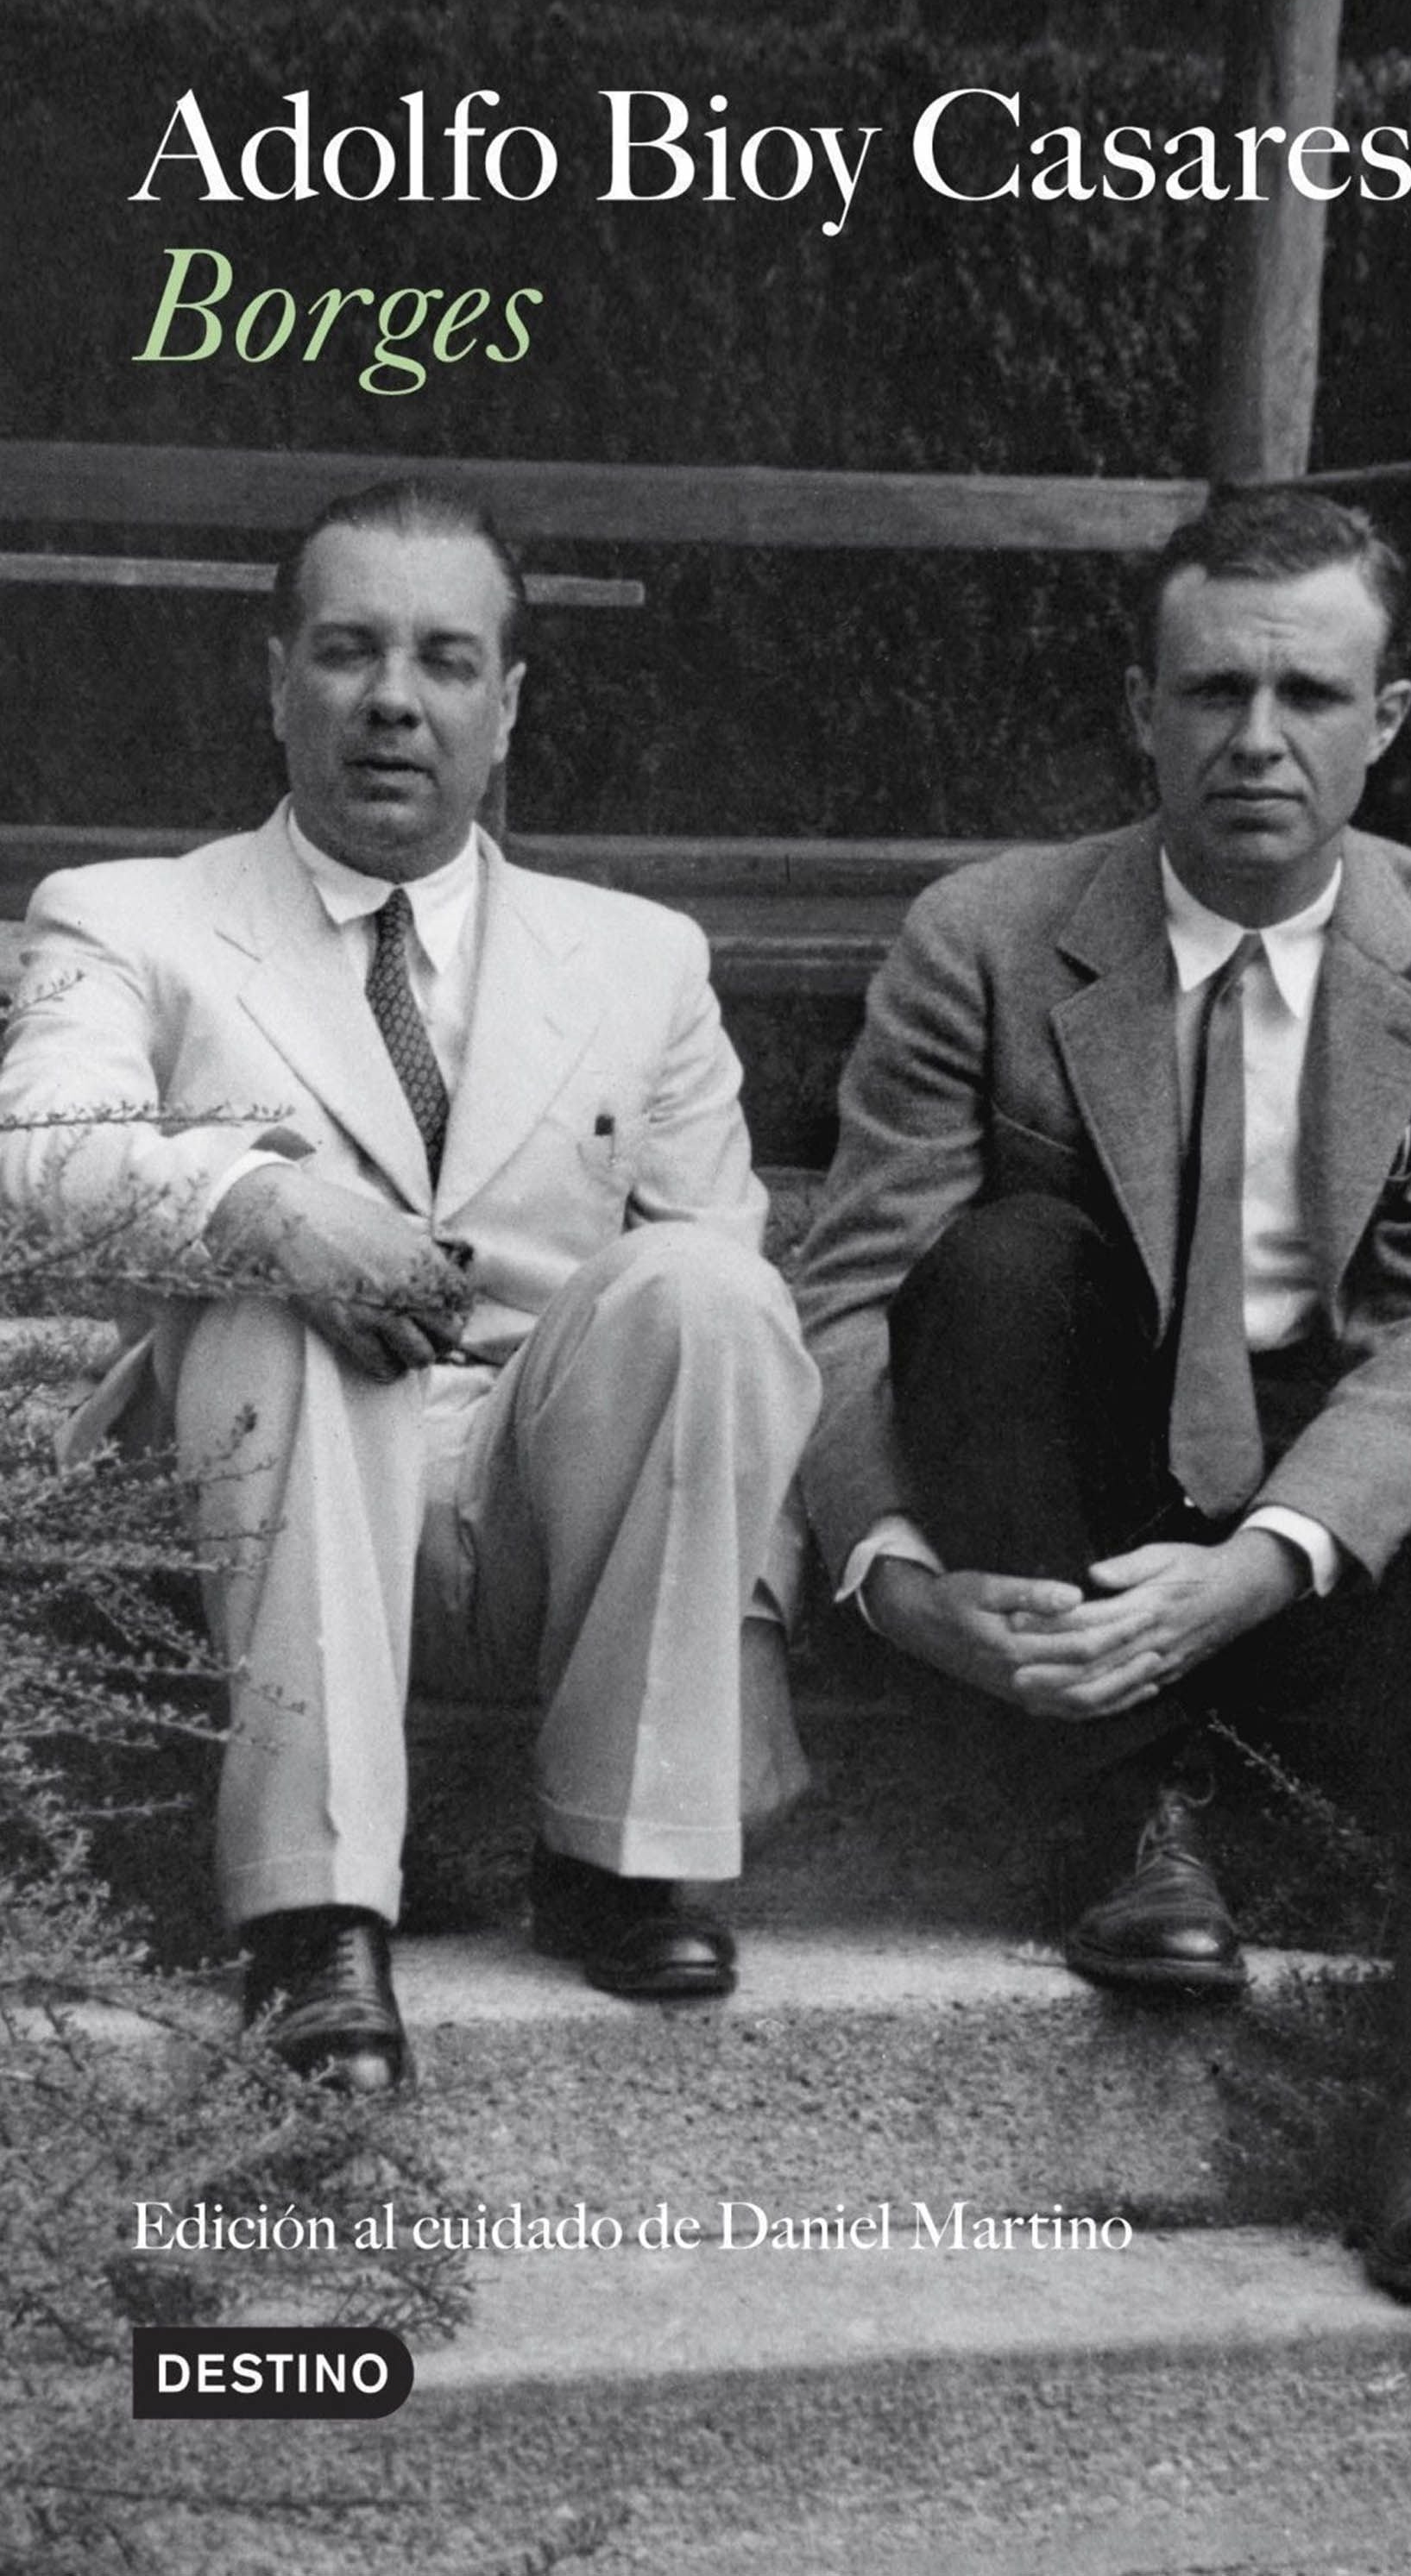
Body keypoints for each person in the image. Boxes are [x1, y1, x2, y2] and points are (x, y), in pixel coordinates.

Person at [792, 487, 1411, 2309]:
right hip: (1066, 1561)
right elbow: (859, 1294)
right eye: (1214, 691)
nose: (1258, 739)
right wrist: (895, 1580)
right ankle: (1128, 1823)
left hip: (1323, 1560)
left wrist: (1259, 1566)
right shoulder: (988, 937)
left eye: (1310, 695)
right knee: (1000, 1257)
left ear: (1385, 720)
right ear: (1144, 708)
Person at [0, 478, 820, 2090]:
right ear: (277, 681)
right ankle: (314, 1919)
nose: (394, 699)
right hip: (242, 1515)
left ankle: (620, 1857)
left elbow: (731, 1323)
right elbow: (32, 1155)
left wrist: (751, 1611)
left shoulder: (643, 957)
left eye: (446, 660)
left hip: (532, 1514)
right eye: (348, 651)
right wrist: (262, 1206)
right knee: (280, 1291)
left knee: (703, 1288)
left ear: (506, 705)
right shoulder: (128, 916)